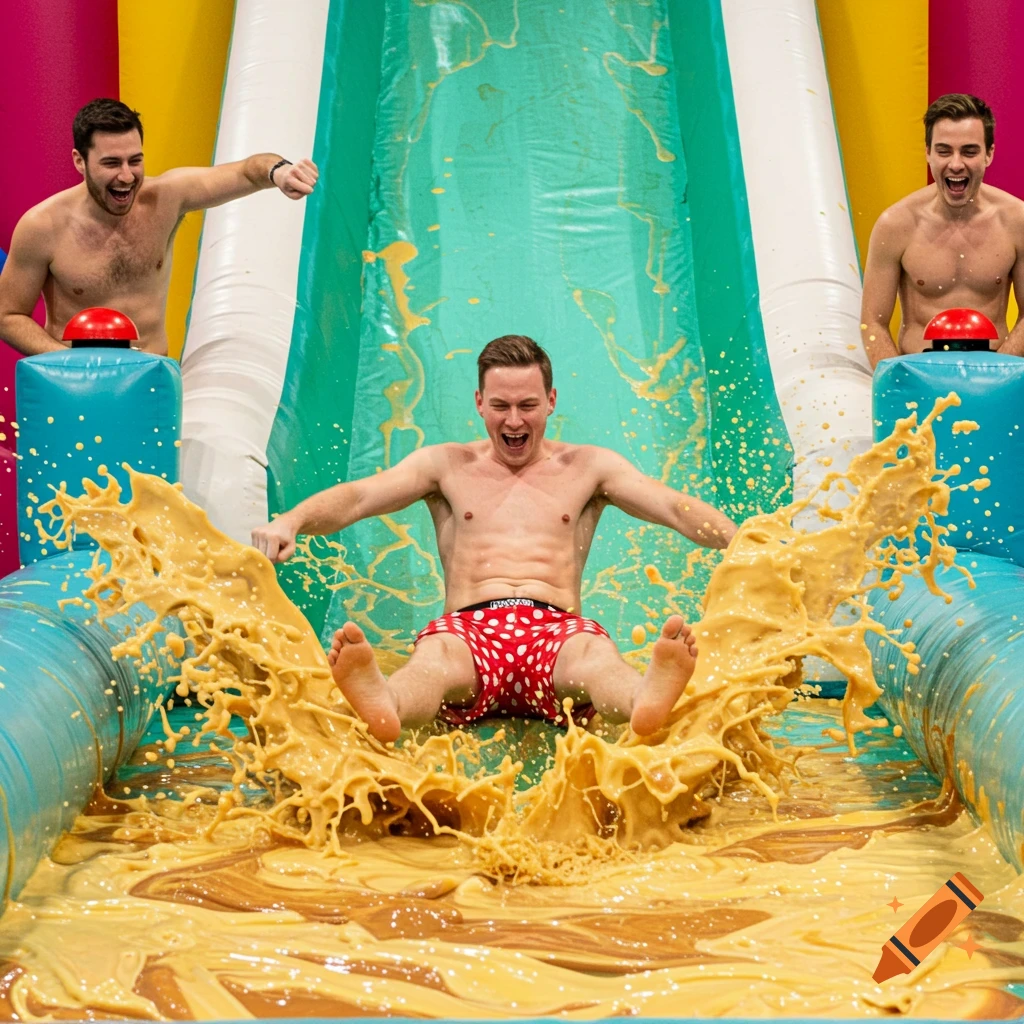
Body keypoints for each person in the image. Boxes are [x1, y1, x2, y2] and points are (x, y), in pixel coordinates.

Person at [252, 335, 737, 742]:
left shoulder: (589, 468)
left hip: (557, 633)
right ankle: (388, 701)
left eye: (528, 405)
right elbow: (359, 498)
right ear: (479, 402)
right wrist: (291, 520)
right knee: (433, 662)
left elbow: (674, 507)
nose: (514, 421)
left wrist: (740, 540)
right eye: (500, 405)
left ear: (551, 400)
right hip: (468, 631)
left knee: (596, 660)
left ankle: (642, 699)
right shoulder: (446, 465)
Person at [0, 98, 319, 356]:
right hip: (73, 389)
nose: (126, 176)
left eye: (135, 160)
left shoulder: (167, 198)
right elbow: (7, 316)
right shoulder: (42, 226)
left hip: (152, 384)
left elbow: (249, 172)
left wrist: (280, 171)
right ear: (79, 161)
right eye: (111, 163)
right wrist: (67, 364)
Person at [860, 93, 1024, 368]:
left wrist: (997, 376)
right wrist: (898, 382)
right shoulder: (896, 225)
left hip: (998, 371)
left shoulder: (1016, 221)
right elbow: (873, 324)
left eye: (969, 151)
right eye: (944, 151)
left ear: (989, 154)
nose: (956, 164)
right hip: (918, 374)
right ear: (928, 153)